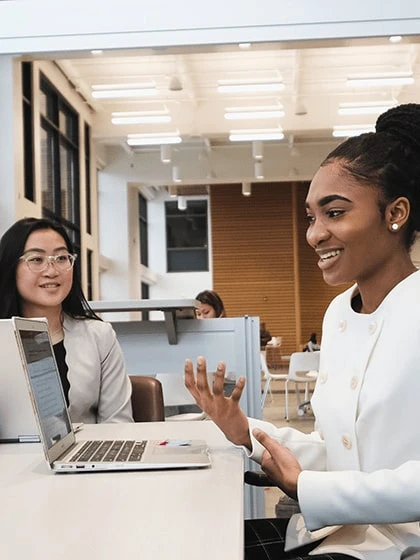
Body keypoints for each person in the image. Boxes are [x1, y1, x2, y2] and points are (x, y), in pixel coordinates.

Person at [184, 103, 420, 560]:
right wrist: (245, 432)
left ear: (396, 213)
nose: (314, 234)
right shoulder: (338, 314)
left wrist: (305, 486)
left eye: (334, 213)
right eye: (312, 217)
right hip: (338, 539)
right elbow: (340, 454)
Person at [0, 217, 133, 424]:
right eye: (36, 259)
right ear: (10, 267)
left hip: (88, 455)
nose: (52, 271)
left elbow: (119, 423)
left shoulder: (100, 336)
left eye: (62, 258)